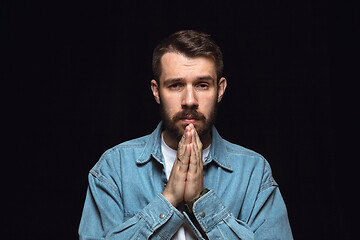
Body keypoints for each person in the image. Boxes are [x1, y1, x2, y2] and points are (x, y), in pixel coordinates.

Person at [78, 30, 293, 240]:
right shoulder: (114, 168)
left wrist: (201, 202)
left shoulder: (253, 173)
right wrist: (168, 199)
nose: (189, 100)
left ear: (220, 89)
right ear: (156, 91)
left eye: (202, 85)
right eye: (175, 85)